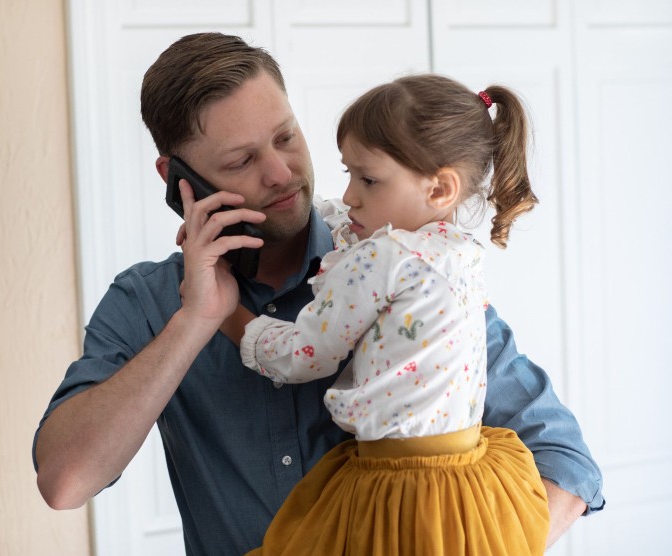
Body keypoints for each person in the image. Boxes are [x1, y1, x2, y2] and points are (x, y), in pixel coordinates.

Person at [33, 32, 604, 556]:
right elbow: (66, 481)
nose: (281, 173)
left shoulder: (411, 273)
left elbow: (568, 464)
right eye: (241, 160)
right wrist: (197, 319)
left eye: (286, 137)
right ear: (178, 180)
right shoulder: (147, 302)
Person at [218, 74, 550, 554]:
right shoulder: (457, 252)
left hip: (397, 485)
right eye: (348, 173)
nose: (350, 195)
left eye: (368, 179)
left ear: (439, 189)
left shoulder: (386, 258)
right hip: (465, 483)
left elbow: (303, 355)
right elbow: (351, 226)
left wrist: (227, 313)